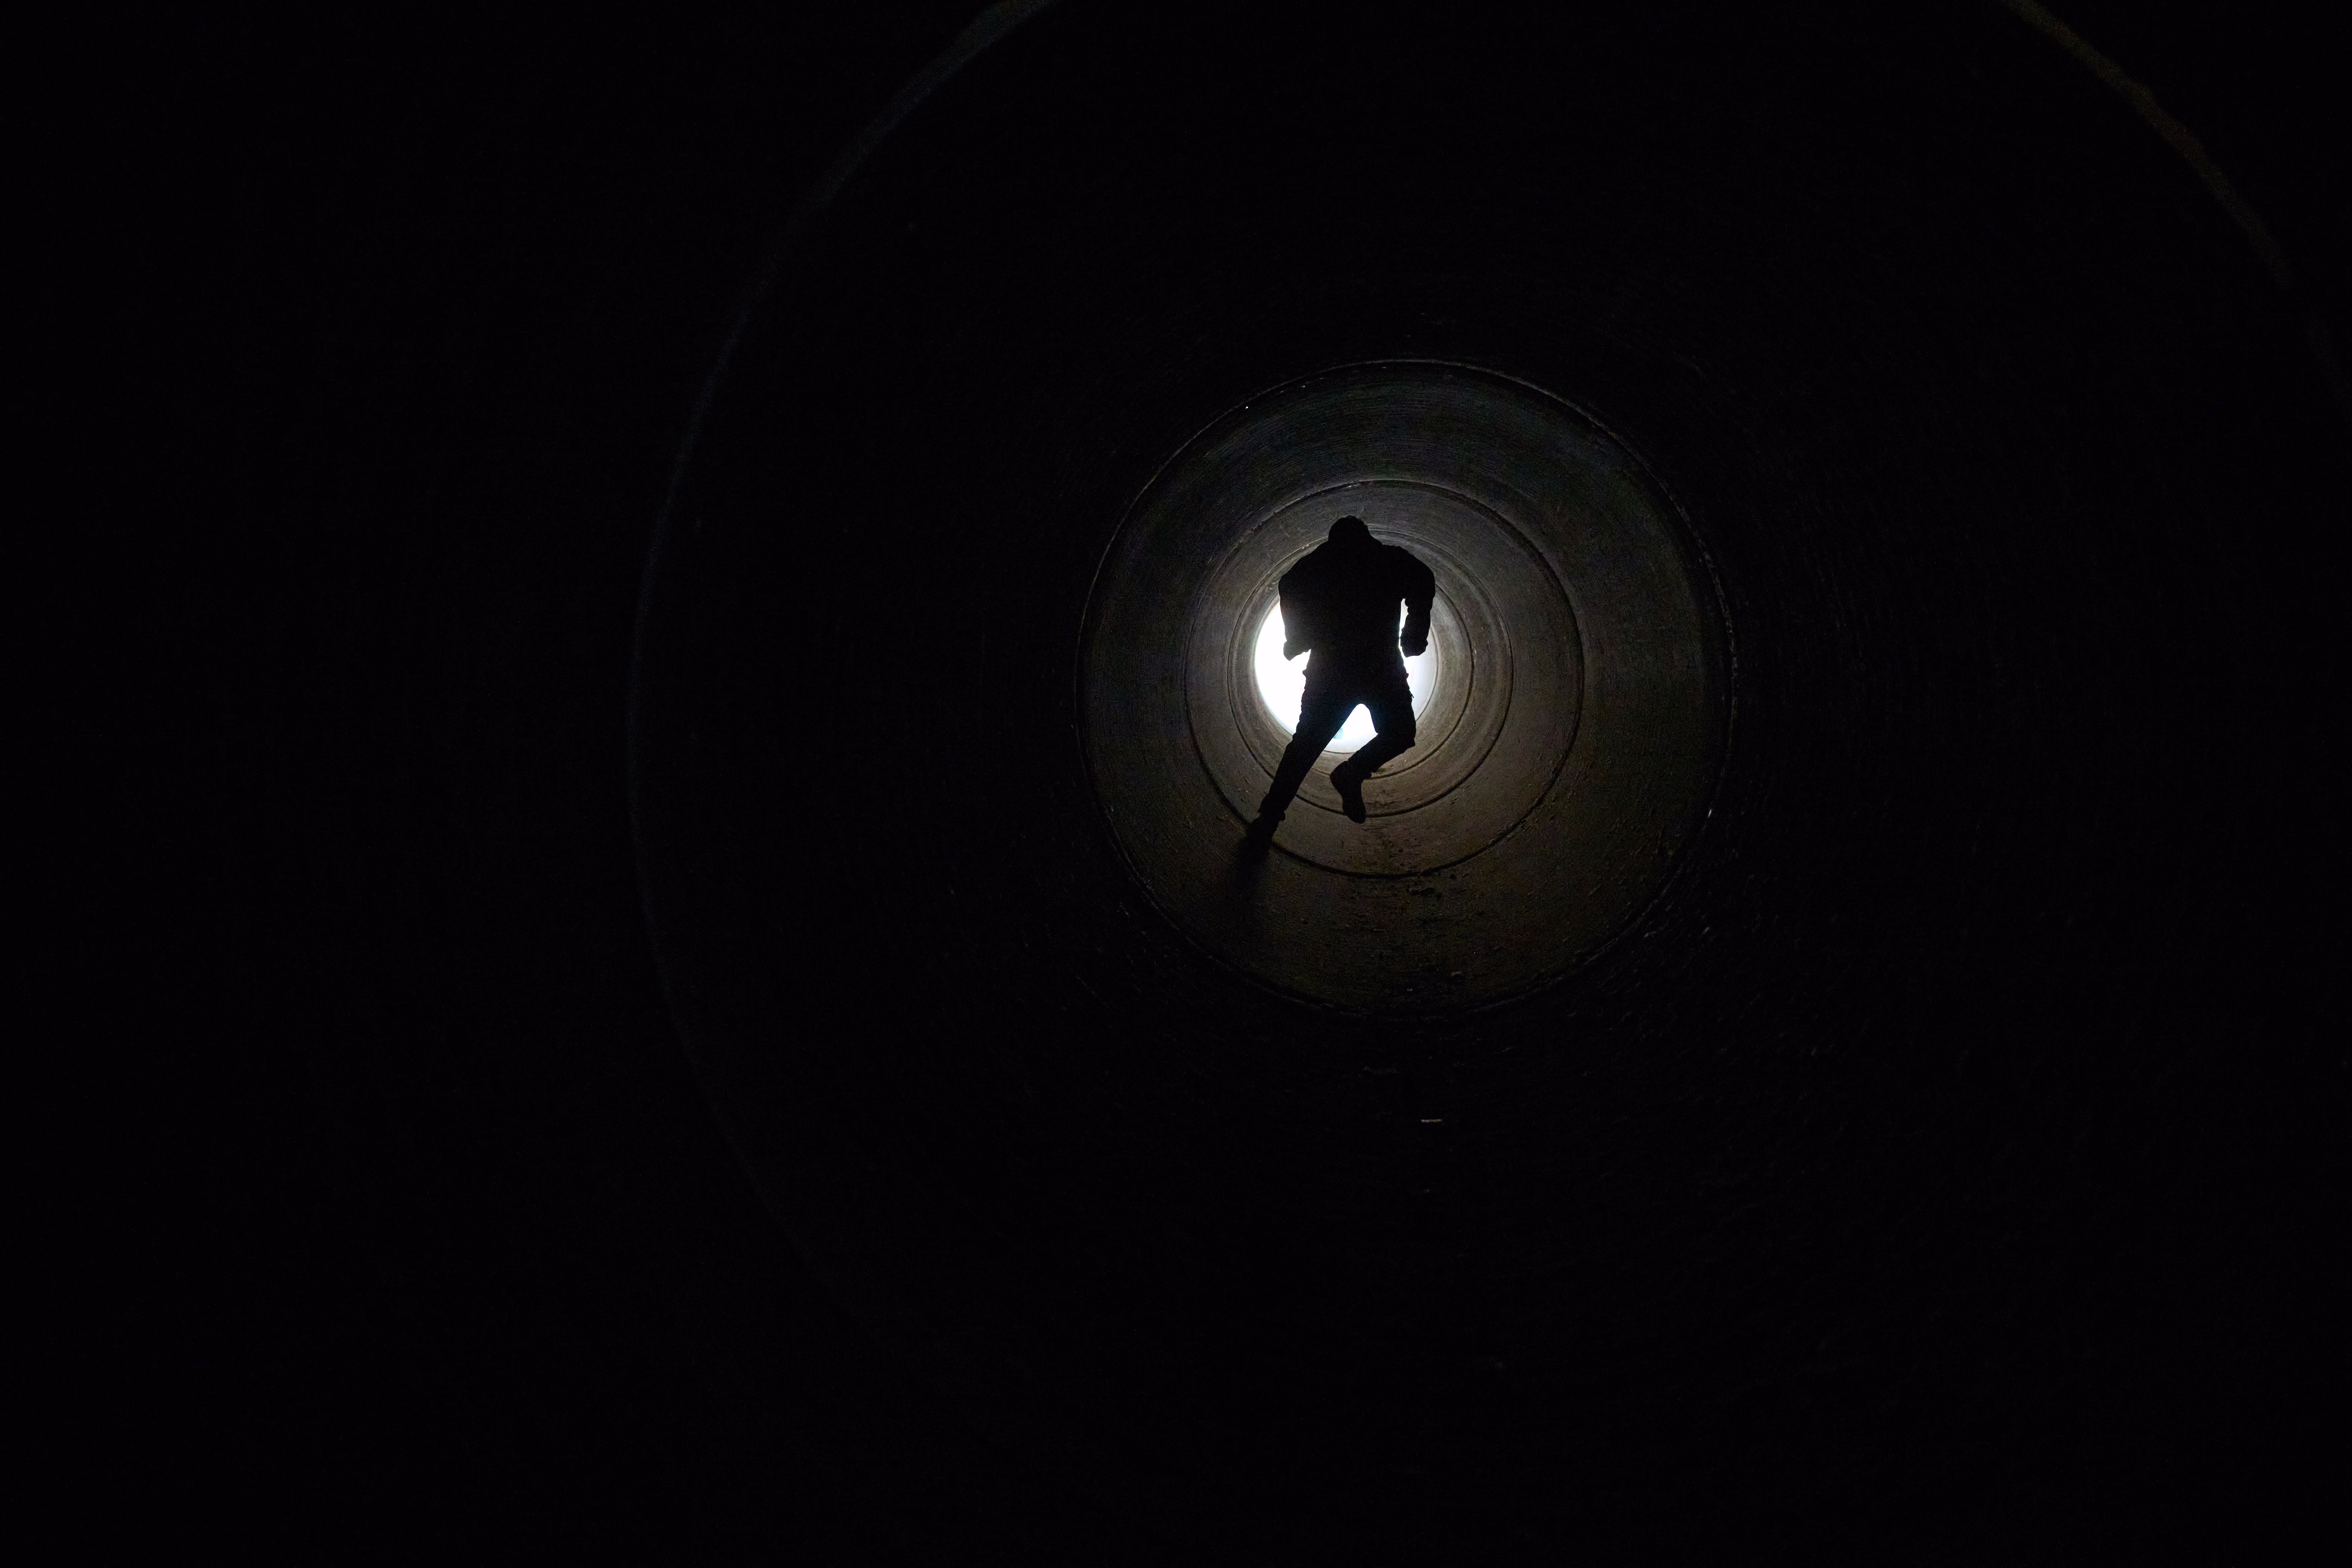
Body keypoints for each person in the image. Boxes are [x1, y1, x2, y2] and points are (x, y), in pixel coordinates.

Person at [1244, 516, 1435, 849]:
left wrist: (1298, 637)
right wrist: (1414, 633)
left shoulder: (1319, 565)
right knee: (1400, 733)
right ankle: (1350, 773)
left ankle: (1269, 821)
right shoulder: (1387, 560)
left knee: (1304, 749)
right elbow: (1423, 578)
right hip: (1378, 668)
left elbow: (1288, 585)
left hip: (1335, 672)